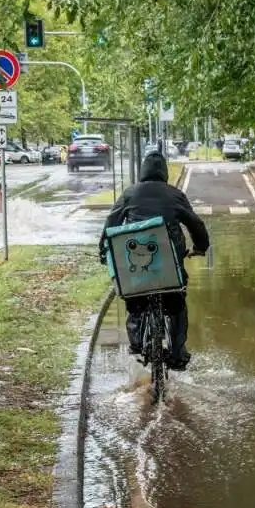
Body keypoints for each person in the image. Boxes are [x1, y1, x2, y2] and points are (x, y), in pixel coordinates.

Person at [98, 151, 210, 371]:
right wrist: (200, 247)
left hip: (136, 270)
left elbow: (111, 223)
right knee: (177, 303)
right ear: (165, 173)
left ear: (142, 171)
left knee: (135, 300)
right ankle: (178, 353)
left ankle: (137, 342)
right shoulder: (175, 195)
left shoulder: (130, 194)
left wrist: (104, 250)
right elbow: (195, 224)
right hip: (170, 266)